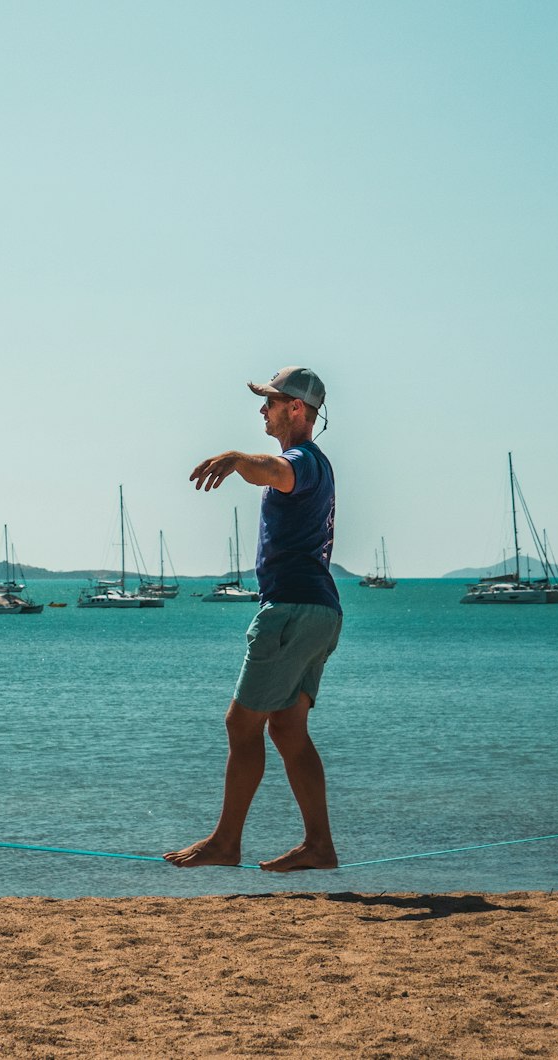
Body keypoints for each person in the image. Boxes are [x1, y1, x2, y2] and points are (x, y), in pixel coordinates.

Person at [163, 365, 342, 873]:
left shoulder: (303, 460)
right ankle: (319, 846)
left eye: (270, 401)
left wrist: (240, 459)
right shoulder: (315, 462)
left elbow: (276, 471)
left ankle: (225, 842)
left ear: (296, 410)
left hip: (290, 610)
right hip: (320, 612)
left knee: (241, 725)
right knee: (287, 729)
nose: (262, 409)